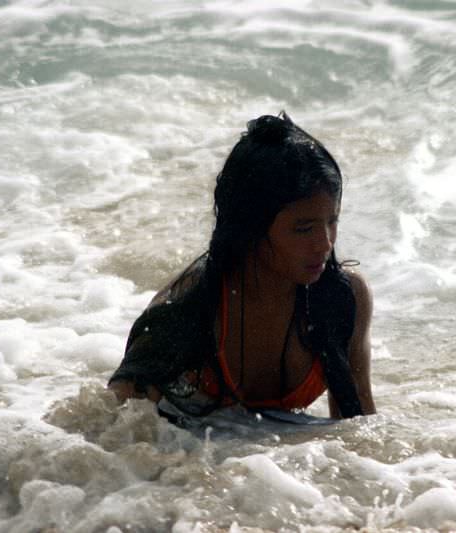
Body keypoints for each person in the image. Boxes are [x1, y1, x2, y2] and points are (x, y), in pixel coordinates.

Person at [108, 112, 376, 421]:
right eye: (304, 229)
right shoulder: (189, 307)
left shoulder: (343, 298)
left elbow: (358, 430)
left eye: (332, 221)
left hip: (273, 463)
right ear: (250, 228)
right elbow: (114, 428)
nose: (325, 244)